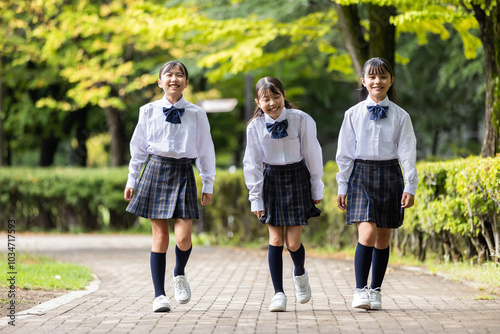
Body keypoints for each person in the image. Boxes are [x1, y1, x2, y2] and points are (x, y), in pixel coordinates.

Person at [124, 60, 216, 313]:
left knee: (184, 237)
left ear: (186, 82)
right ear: (160, 82)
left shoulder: (197, 113)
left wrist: (208, 181)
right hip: (155, 171)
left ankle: (179, 272)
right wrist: (132, 179)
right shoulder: (147, 111)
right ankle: (159, 295)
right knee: (160, 237)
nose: (174, 79)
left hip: (184, 171)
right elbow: (138, 149)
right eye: (169, 75)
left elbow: (206, 150)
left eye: (179, 75)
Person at [336, 57, 418, 310]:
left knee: (383, 238)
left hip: (390, 174)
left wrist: (410, 186)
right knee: (368, 233)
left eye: (382, 76)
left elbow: (407, 152)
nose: (377, 81)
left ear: (390, 81)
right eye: (371, 77)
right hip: (361, 175)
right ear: (363, 81)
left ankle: (376, 290)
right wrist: (342, 185)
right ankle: (360, 290)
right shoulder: (352, 114)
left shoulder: (401, 116)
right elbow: (345, 153)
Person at [243, 77, 324, 312]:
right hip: (271, 182)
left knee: (293, 242)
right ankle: (278, 293)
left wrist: (316, 187)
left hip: (297, 178)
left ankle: (300, 273)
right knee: (276, 240)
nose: (272, 103)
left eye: (276, 96)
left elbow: (313, 153)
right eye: (266, 99)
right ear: (258, 102)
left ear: (284, 96)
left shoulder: (301, 120)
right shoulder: (255, 127)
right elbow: (252, 163)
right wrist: (255, 197)